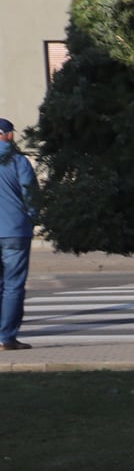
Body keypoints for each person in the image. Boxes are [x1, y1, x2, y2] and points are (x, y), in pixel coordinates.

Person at [0, 117, 37, 351]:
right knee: (13, 285)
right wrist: (32, 219)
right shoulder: (18, 161)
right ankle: (6, 337)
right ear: (9, 135)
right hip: (14, 230)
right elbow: (30, 194)